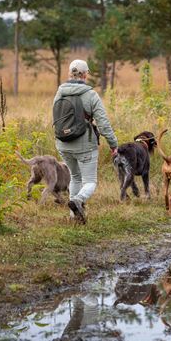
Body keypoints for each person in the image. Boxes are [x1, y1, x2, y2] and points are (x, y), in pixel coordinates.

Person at [53, 59, 118, 223]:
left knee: (75, 177)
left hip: (63, 143)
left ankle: (74, 217)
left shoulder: (60, 92)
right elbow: (103, 123)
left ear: (70, 73)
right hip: (85, 145)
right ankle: (78, 200)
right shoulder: (90, 94)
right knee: (90, 181)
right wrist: (113, 144)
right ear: (84, 74)